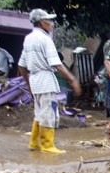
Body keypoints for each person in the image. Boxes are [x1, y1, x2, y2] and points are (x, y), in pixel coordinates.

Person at [18, 9, 81, 154]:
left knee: (39, 113)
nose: (52, 24)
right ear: (41, 22)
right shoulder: (45, 39)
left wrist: (28, 84)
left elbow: (21, 65)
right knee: (49, 113)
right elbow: (57, 64)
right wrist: (72, 79)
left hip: (34, 81)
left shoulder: (28, 39)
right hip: (45, 80)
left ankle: (34, 142)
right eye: (49, 21)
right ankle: (47, 145)